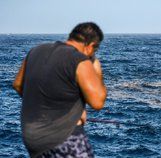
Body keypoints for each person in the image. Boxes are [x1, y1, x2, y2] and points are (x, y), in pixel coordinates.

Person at [13, 22, 107, 158]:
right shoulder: (79, 60)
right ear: (90, 46)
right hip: (64, 138)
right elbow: (98, 102)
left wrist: (51, 107)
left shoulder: (36, 51)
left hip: (33, 138)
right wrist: (96, 67)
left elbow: (17, 84)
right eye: (95, 50)